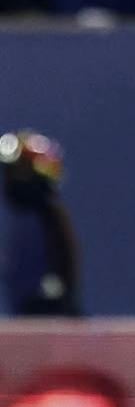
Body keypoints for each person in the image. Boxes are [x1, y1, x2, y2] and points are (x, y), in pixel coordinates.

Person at [1, 130, 80, 316]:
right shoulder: (17, 219)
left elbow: (65, 267)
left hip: (48, 316)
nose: (10, 180)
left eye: (20, 172)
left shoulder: (51, 219)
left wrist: (55, 293)